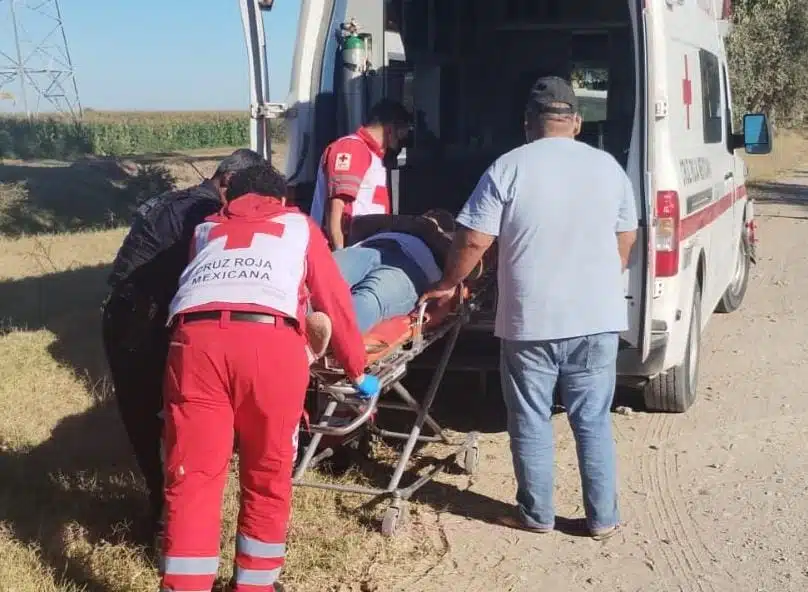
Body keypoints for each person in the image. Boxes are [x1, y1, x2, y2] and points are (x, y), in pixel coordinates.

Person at [420, 76, 638, 540]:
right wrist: (598, 280)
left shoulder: (508, 167)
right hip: (597, 319)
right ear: (576, 122)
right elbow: (626, 240)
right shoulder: (610, 169)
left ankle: (536, 513)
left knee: (530, 415)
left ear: (527, 124)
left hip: (531, 319)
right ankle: (603, 518)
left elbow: (475, 238)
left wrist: (448, 283)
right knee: (592, 419)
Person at [158, 163, 379, 592]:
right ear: (281, 199)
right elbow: (333, 298)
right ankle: (255, 586)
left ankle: (185, 586)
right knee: (267, 475)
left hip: (194, 345)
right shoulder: (297, 225)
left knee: (193, 479)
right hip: (270, 347)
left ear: (229, 197)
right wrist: (357, 370)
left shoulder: (204, 230)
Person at [101, 148, 266, 541]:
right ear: (227, 182)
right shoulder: (204, 213)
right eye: (244, 195)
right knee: (178, 418)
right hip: (150, 319)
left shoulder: (172, 199)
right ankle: (170, 518)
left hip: (119, 314)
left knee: (140, 416)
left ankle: (159, 504)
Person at [330, 209, 485, 334]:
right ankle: (321, 328)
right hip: (375, 246)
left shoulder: (454, 249)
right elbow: (360, 224)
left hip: (415, 269)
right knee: (322, 277)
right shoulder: (396, 226)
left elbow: (472, 260)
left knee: (369, 298)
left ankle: (325, 332)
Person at [309, 99, 413, 250]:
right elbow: (336, 208)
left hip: (362, 250)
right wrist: (341, 253)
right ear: (390, 129)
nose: (402, 142)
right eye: (401, 135)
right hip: (348, 251)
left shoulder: (372, 156)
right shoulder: (353, 148)